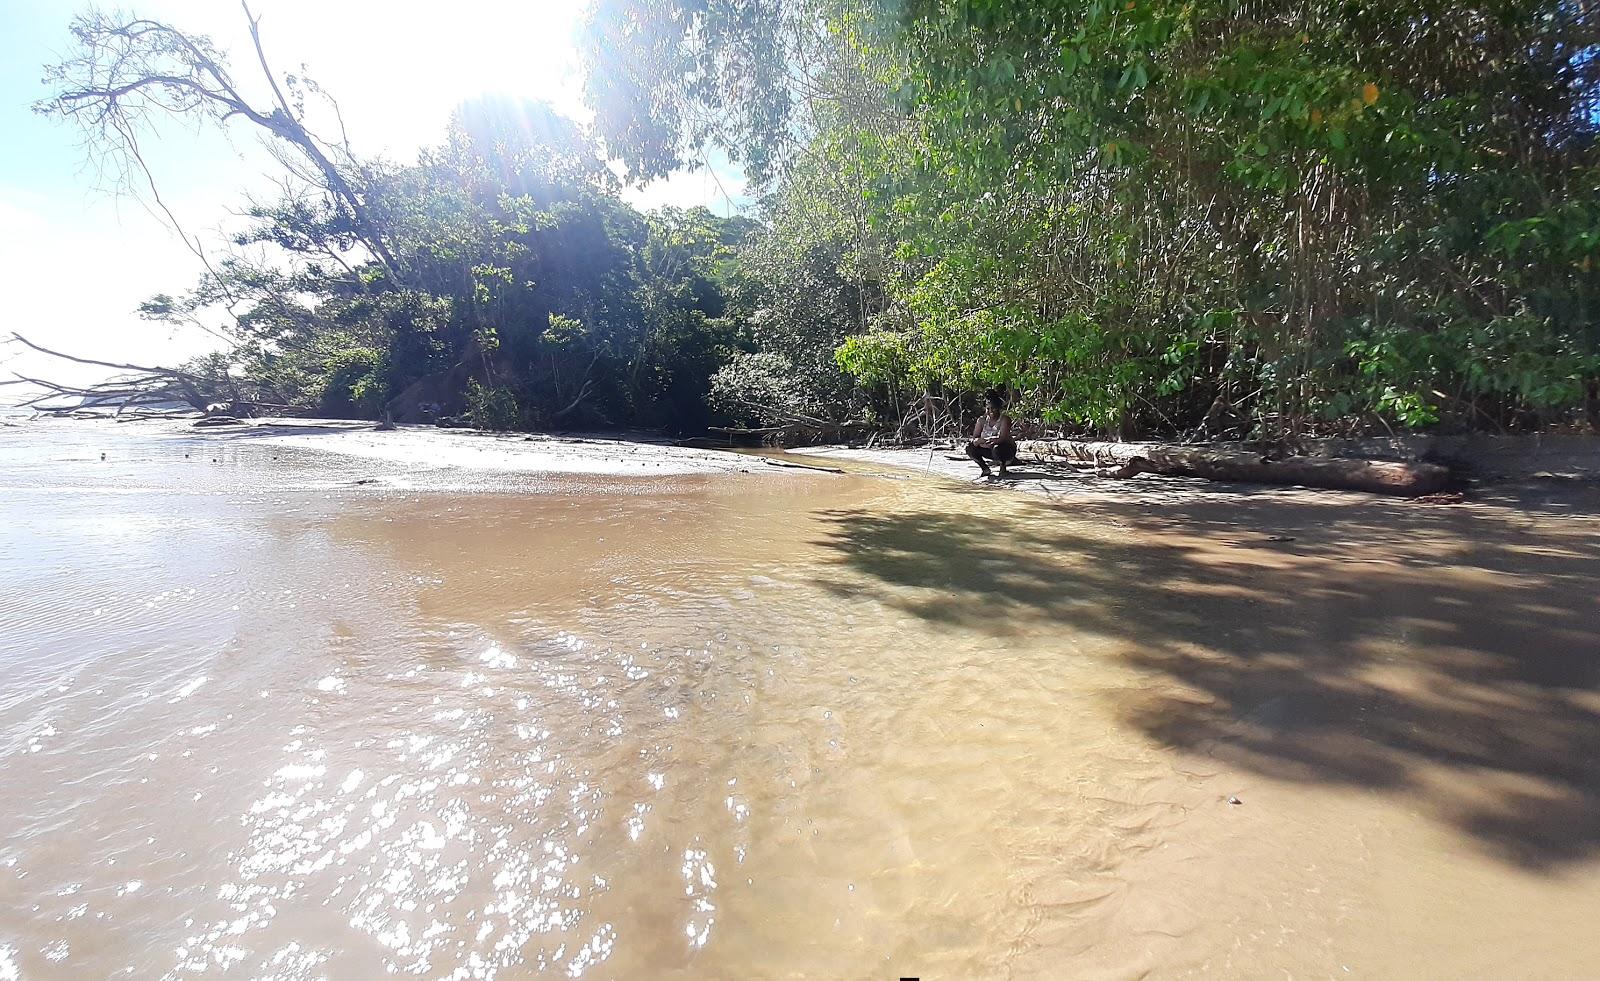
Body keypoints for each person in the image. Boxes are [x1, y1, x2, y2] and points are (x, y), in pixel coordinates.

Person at [966, 392, 1016, 479]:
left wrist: (987, 440)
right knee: (969, 447)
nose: (991, 411)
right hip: (988, 449)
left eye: (993, 408)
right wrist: (978, 441)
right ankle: (985, 469)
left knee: (997, 447)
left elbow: (1002, 438)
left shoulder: (1005, 419)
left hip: (1005, 450)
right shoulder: (981, 420)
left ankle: (1003, 467)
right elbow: (975, 438)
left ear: (998, 409)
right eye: (988, 409)